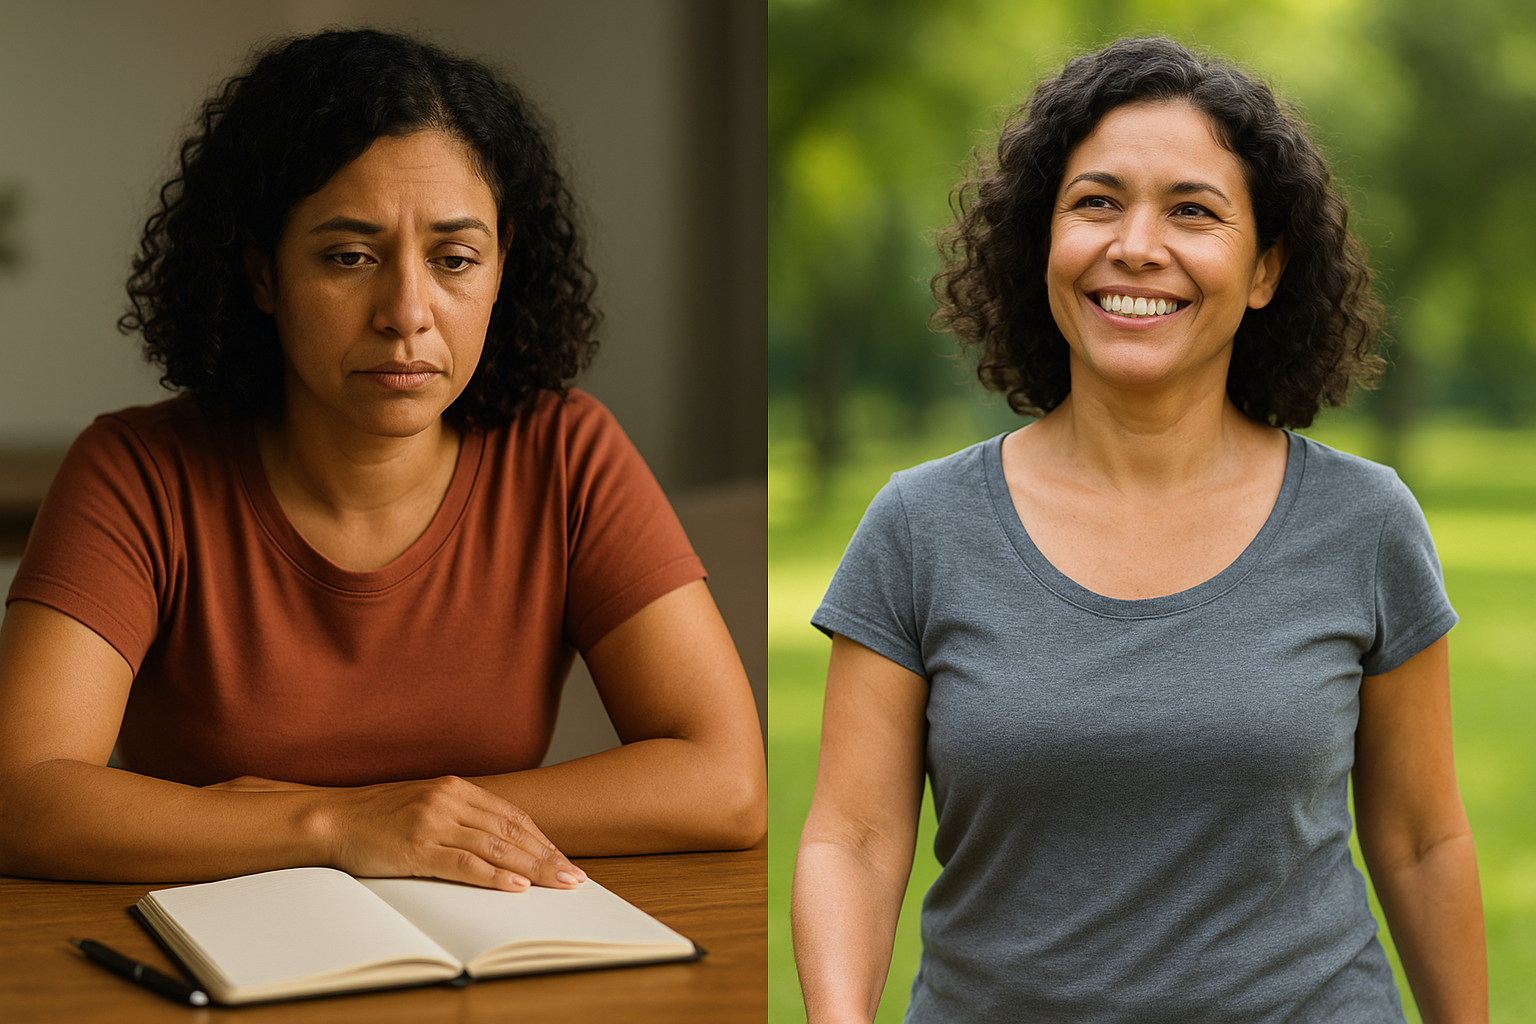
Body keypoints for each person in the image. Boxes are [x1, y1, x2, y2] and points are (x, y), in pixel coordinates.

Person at [793, 37, 1486, 1024]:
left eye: (1192, 211)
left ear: (1265, 269)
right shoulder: (920, 526)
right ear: (1042, 243)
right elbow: (853, 842)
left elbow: (1422, 840)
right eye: (1097, 202)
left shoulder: (1366, 523)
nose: (1136, 246)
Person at [0, 29, 765, 892]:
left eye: (455, 260)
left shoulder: (565, 453)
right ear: (262, 273)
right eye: (349, 257)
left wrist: (421, 822)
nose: (407, 311)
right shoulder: (136, 473)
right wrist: (343, 824)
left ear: (502, 266)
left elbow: (727, 781)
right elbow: (22, 796)